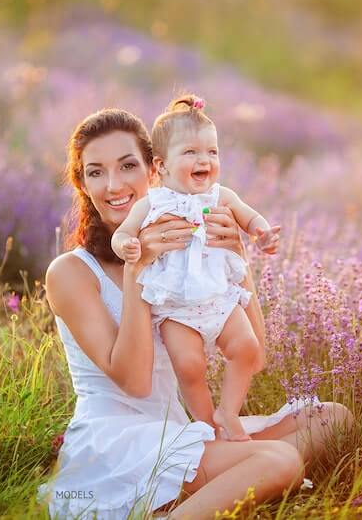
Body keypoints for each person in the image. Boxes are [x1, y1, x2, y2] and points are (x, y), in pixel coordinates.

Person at [37, 107, 353, 519]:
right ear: (82, 183)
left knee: (333, 419)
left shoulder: (185, 254)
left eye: (127, 166)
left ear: (155, 170)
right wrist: (138, 268)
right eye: (96, 172)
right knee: (280, 460)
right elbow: (134, 381)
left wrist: (236, 258)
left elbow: (254, 355)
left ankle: (205, 491)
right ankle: (201, 496)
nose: (113, 185)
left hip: (178, 432)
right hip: (119, 441)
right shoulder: (72, 272)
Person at [111, 94, 280, 442]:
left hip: (219, 297)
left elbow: (250, 218)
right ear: (160, 167)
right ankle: (207, 427)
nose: (205, 160)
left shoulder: (221, 196)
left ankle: (228, 412)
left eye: (212, 152)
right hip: (176, 308)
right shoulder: (152, 202)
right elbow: (124, 231)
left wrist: (261, 235)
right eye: (190, 152)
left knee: (247, 348)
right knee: (189, 367)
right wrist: (127, 246)